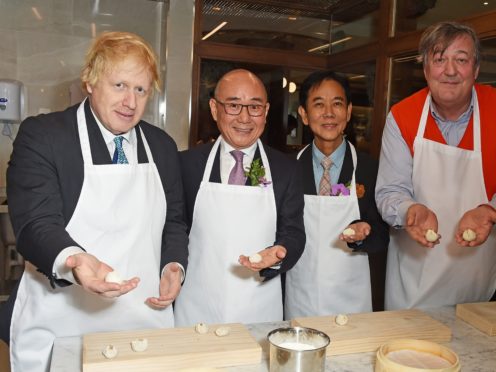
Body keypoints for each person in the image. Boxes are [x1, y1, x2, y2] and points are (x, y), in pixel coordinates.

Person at [2, 31, 188, 371]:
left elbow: (174, 220)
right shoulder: (45, 136)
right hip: (63, 320)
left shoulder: (161, 146)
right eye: (119, 85)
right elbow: (35, 223)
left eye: (141, 90)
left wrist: (173, 264)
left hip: (141, 319)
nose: (130, 102)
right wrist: (74, 260)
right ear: (90, 81)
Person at [375, 21, 496, 310]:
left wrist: (489, 211)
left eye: (461, 60)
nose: (450, 70)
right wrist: (409, 210)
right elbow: (390, 190)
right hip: (413, 282)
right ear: (426, 68)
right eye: (440, 59)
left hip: (478, 285)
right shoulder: (402, 116)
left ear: (476, 69)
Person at [174, 69, 305, 326]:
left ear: (266, 112)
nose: (244, 117)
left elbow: (295, 232)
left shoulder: (285, 169)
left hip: (259, 304)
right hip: (196, 305)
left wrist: (280, 253)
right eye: (233, 105)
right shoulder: (186, 165)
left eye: (254, 107)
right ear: (214, 109)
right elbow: (174, 228)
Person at [285, 71, 389, 318]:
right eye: (319, 104)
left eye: (337, 104)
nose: (329, 113)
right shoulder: (287, 170)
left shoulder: (370, 168)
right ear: (304, 114)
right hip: (300, 296)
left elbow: (383, 236)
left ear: (349, 111)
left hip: (352, 298)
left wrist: (364, 233)